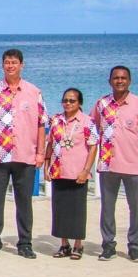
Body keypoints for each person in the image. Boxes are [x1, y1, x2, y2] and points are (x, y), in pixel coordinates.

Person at [0, 49, 47, 259]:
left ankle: (25, 243)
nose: (10, 66)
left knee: (24, 202)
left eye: (14, 62)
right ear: (2, 65)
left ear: (22, 65)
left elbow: (41, 124)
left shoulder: (34, 92)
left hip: (25, 155)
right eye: (7, 62)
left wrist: (41, 153)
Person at [91, 66, 138, 262]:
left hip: (133, 165)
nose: (119, 81)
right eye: (115, 78)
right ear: (109, 81)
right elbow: (92, 130)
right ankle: (108, 246)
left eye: (123, 78)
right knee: (107, 207)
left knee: (135, 207)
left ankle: (134, 246)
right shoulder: (101, 104)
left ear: (129, 81)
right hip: (108, 164)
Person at [45, 88, 98, 261]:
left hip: (78, 172)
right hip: (59, 171)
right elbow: (50, 144)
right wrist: (47, 166)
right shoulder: (56, 121)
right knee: (60, 210)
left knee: (77, 210)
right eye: (65, 100)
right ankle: (64, 244)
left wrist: (86, 170)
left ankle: (78, 245)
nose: (68, 103)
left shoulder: (87, 122)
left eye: (72, 101)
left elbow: (92, 147)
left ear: (79, 103)